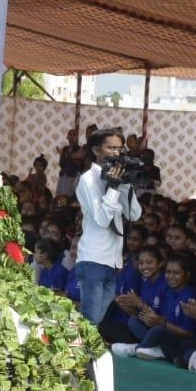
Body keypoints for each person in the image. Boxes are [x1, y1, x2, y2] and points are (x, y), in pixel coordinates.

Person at [73, 128, 142, 326]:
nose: (116, 153)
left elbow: (135, 214)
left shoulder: (116, 178)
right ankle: (77, 354)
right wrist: (112, 188)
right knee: (91, 320)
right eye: (111, 148)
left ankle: (79, 351)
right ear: (95, 150)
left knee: (96, 320)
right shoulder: (88, 180)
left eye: (120, 149)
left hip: (112, 261)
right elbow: (102, 220)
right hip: (93, 258)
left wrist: (124, 185)